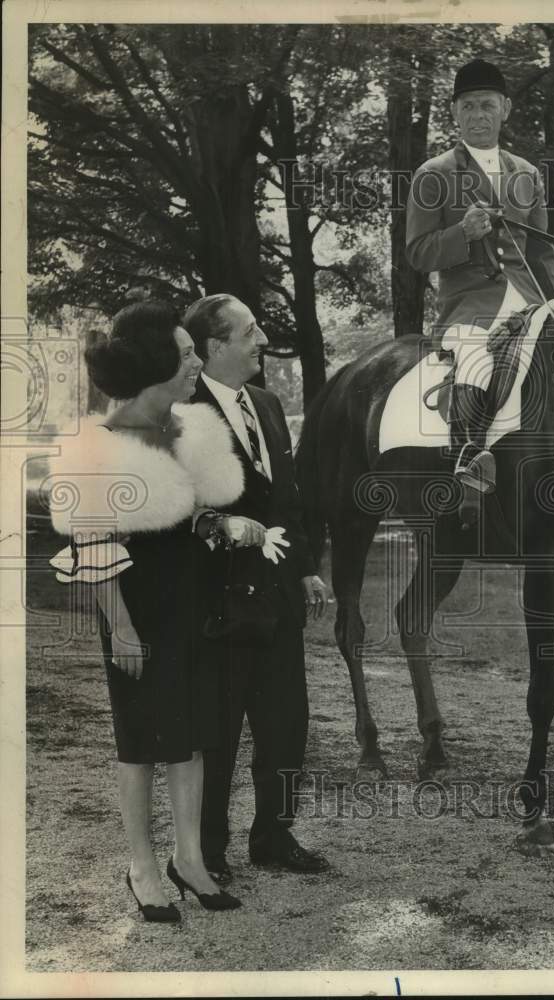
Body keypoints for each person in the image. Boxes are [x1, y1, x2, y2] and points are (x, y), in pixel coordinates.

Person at [48, 300, 245, 920]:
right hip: (136, 609)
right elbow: (91, 544)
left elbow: (189, 513)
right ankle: (141, 866)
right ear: (156, 363)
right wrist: (123, 628)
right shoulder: (95, 446)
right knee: (139, 743)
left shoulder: (193, 429)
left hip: (193, 603)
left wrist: (218, 523)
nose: (196, 363)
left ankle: (190, 860)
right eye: (186, 354)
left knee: (191, 739)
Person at [182, 293, 330, 884]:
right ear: (214, 346)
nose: (263, 341)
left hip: (278, 598)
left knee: (286, 722)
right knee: (216, 730)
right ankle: (208, 849)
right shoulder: (183, 411)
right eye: (249, 333)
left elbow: (287, 500)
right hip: (215, 602)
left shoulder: (266, 404)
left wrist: (305, 567)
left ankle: (273, 836)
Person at [406, 57, 554, 497]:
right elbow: (417, 253)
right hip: (470, 305)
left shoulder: (527, 174)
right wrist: (462, 233)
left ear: (505, 110)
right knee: (475, 358)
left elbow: (542, 252)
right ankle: (469, 459)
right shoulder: (433, 174)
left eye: (487, 105)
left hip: (530, 301)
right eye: (469, 106)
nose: (478, 115)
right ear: (455, 113)